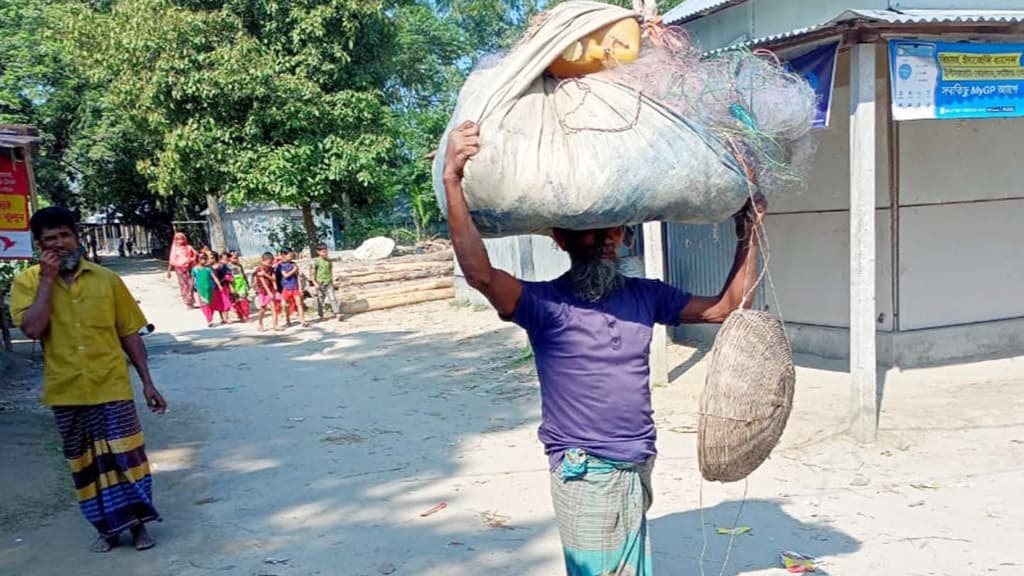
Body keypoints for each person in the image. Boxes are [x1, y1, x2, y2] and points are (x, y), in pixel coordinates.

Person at [442, 121, 766, 576]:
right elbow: (480, 274)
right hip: (584, 469)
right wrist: (452, 181)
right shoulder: (543, 305)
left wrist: (747, 233)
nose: (609, 240)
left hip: (639, 462)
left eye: (613, 230)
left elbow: (727, 307)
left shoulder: (646, 295)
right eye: (594, 232)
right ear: (560, 238)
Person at [10, 207, 168, 553]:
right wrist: (48, 281)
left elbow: (129, 334)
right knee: (85, 465)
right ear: (39, 246)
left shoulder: (107, 280)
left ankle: (140, 526)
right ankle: (107, 530)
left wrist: (147, 382)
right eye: (50, 240)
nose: (60, 244)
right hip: (66, 391)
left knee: (128, 458)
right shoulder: (26, 283)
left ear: (76, 237)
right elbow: (34, 329)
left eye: (65, 235)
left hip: (112, 386)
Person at [309, 243, 343, 322]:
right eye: (323, 252)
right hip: (320, 283)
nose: (325, 253)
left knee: (332, 297)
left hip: (328, 282)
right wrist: (314, 282)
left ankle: (337, 313)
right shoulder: (316, 262)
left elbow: (330, 271)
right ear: (318, 252)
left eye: (326, 251)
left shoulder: (329, 261)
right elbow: (312, 273)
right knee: (320, 300)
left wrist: (332, 281)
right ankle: (321, 315)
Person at [192, 254, 226, 327]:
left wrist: (219, 285)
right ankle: (209, 320)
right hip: (201, 290)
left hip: (210, 289)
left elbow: (214, 277)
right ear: (198, 259)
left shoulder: (208, 269)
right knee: (204, 304)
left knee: (211, 304)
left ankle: (212, 317)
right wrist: (192, 289)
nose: (203, 260)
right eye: (201, 259)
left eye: (204, 259)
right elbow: (193, 279)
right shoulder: (195, 269)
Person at [166, 232, 197, 308]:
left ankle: (191, 300)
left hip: (189, 268)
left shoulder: (189, 247)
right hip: (179, 268)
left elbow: (196, 255)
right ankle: (187, 302)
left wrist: (192, 259)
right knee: (183, 285)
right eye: (177, 239)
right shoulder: (174, 249)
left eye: (181, 239)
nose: (180, 241)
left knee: (191, 284)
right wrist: (169, 271)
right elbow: (171, 260)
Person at [276, 248, 306, 327]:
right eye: (290, 255)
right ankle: (288, 320)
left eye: (292, 255)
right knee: (286, 305)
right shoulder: (280, 265)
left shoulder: (294, 264)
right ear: (283, 255)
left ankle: (303, 320)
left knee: (299, 304)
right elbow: (285, 275)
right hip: (286, 287)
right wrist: (294, 270)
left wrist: (300, 288)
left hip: (295, 287)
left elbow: (298, 277)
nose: (291, 257)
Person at [254, 252, 280, 332]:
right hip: (263, 291)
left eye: (271, 263)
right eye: (269, 263)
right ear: (263, 261)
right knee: (263, 308)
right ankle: (260, 322)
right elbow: (262, 282)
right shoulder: (259, 269)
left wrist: (265, 274)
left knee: (273, 308)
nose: (270, 264)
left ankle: (275, 325)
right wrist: (268, 292)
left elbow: (274, 279)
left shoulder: (271, 269)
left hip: (271, 289)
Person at [228, 251, 251, 321]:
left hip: (242, 286)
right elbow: (228, 278)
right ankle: (240, 315)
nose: (237, 259)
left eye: (237, 257)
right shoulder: (228, 267)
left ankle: (246, 315)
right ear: (229, 258)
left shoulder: (239, 266)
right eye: (234, 258)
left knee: (244, 301)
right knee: (237, 302)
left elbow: (243, 275)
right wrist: (231, 287)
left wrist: (247, 283)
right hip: (234, 286)